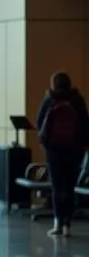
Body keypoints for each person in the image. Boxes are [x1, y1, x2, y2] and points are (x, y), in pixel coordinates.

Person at [36, 71, 89, 237]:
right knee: (70, 186)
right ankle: (68, 224)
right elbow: (85, 123)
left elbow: (40, 121)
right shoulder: (77, 100)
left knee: (58, 187)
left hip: (54, 149)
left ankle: (58, 223)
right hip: (75, 149)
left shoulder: (50, 98)